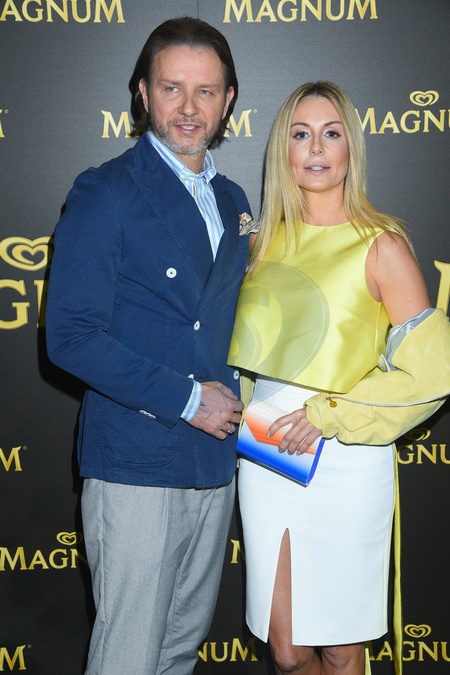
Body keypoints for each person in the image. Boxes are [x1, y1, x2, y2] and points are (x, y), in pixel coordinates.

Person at [46, 17, 251, 675]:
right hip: (136, 460)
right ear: (142, 92)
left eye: (206, 91)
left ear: (227, 101)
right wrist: (187, 399)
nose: (189, 108)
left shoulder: (234, 200)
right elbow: (70, 337)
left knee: (176, 654)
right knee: (129, 659)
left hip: (214, 461)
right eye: (171, 88)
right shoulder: (106, 191)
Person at [228, 81, 450, 675]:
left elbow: (431, 373)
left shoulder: (382, 246)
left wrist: (328, 414)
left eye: (331, 133)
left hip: (348, 458)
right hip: (268, 454)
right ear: (283, 149)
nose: (316, 148)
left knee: (342, 648)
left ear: (351, 146)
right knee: (287, 652)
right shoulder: (260, 243)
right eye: (301, 134)